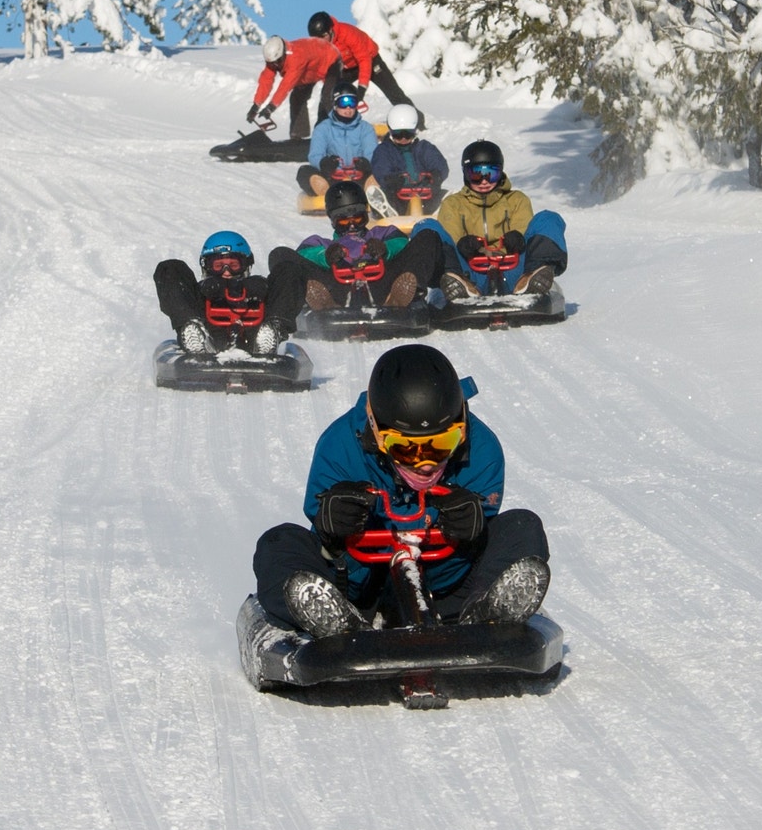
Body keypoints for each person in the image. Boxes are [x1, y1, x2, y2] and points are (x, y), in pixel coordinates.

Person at [252, 342, 551, 636]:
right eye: (406, 449)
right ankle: (334, 623)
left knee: (523, 527)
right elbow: (325, 543)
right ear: (378, 433)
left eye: (441, 445)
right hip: (357, 592)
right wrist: (333, 529)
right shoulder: (338, 446)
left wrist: (471, 530)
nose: (426, 465)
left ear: (460, 430)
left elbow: (484, 534)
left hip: (445, 588)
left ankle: (487, 611)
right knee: (279, 542)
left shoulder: (483, 449)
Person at [416, 140, 568, 300]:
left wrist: (517, 239)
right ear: (465, 174)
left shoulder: (516, 200)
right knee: (426, 226)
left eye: (491, 174)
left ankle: (531, 278)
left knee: (548, 218)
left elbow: (526, 235)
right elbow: (448, 241)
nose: (484, 181)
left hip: (512, 269)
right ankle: (459, 285)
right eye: (475, 175)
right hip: (470, 270)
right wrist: (463, 245)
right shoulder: (453, 204)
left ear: (501, 172)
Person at [270, 180, 443, 313]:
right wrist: (326, 256)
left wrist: (385, 249)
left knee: (428, 235)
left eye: (358, 218)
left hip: (384, 284)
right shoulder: (322, 243)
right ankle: (325, 302)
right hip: (336, 287)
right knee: (279, 255)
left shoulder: (382, 233)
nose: (352, 225)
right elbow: (306, 254)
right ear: (333, 221)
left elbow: (402, 244)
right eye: (344, 221)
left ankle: (400, 298)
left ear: (366, 214)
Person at [153, 230, 304, 358]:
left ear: (245, 266)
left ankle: (273, 331)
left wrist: (254, 286)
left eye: (233, 266)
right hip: (208, 330)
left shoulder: (257, 287)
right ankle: (193, 331)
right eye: (218, 266)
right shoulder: (202, 291)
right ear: (207, 266)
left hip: (255, 335)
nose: (226, 272)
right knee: (170, 268)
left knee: (289, 269)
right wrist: (212, 288)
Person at [307, 12, 417, 122]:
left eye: (323, 36)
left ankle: (416, 122)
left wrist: (361, 90)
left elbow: (364, 59)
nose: (321, 41)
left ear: (330, 30)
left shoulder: (347, 33)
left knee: (394, 92)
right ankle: (322, 129)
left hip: (370, 60)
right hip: (345, 68)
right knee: (328, 95)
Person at [245, 33, 339, 142]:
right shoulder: (275, 60)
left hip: (331, 61)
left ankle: (340, 132)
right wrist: (256, 106)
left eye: (278, 62)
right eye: (272, 63)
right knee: (296, 98)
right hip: (311, 70)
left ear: (284, 53)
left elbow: (286, 85)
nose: (275, 65)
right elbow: (266, 81)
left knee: (327, 98)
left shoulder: (297, 57)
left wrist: (271, 107)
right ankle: (298, 137)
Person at [296, 87, 380, 199]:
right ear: (335, 105)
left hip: (359, 176)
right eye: (343, 103)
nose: (348, 108)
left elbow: (372, 152)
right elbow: (315, 154)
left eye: (352, 103)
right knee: (304, 171)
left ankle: (370, 189)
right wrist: (324, 163)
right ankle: (324, 191)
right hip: (332, 176)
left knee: (381, 170)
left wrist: (365, 163)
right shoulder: (323, 128)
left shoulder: (365, 128)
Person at [367, 103, 449, 217]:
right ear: (391, 132)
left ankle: (440, 208)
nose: (403, 139)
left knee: (439, 194)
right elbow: (380, 166)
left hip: (424, 193)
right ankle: (387, 210)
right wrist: (390, 179)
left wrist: (437, 174)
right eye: (398, 135)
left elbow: (438, 162)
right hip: (397, 193)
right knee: (388, 195)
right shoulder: (385, 150)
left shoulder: (423, 148)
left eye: (408, 134)